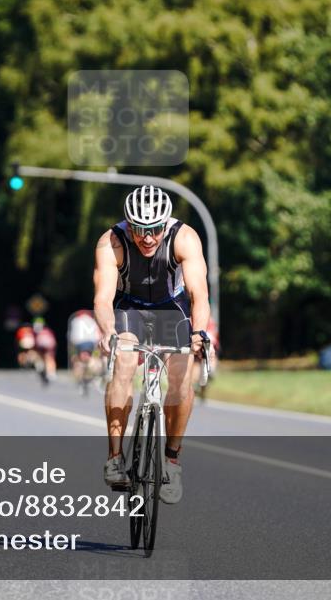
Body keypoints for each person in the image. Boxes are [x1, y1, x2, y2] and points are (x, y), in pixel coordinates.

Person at [94, 185, 211, 504]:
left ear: (166, 223)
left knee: (181, 377)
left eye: (155, 229)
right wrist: (108, 331)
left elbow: (199, 295)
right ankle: (115, 458)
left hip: (171, 309)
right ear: (128, 224)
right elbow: (103, 298)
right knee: (123, 365)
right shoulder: (111, 242)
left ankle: (171, 460)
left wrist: (199, 333)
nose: (147, 238)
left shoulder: (184, 238)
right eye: (139, 229)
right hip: (129, 308)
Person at [68, 309, 103, 393]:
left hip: (79, 344)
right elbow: (98, 335)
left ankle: (82, 380)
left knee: (79, 363)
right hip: (91, 344)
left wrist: (73, 353)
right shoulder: (93, 321)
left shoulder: (76, 321)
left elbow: (72, 337)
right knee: (92, 362)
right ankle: (89, 378)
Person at [33, 317, 57, 385]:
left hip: (42, 346)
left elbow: (35, 340)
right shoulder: (48, 330)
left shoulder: (36, 331)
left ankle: (41, 367)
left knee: (42, 357)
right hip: (48, 346)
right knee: (49, 359)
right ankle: (51, 373)